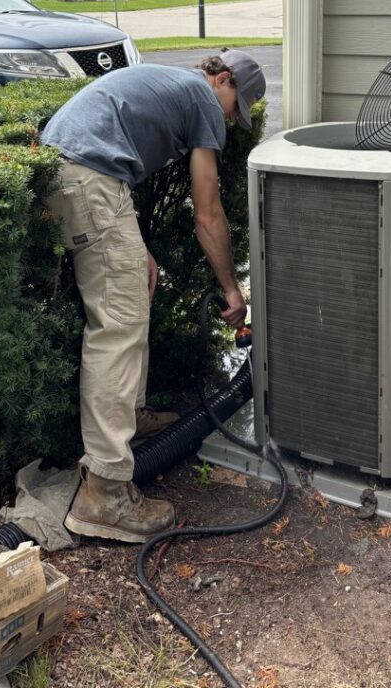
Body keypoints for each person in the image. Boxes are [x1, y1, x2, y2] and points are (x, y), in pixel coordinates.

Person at [41, 49, 266, 543]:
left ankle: (131, 419)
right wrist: (233, 289)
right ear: (222, 80)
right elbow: (207, 213)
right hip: (90, 179)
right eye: (236, 106)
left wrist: (134, 243)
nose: (230, 118)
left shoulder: (171, 85)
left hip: (80, 175)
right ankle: (104, 493)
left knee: (130, 299)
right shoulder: (203, 101)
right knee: (117, 330)